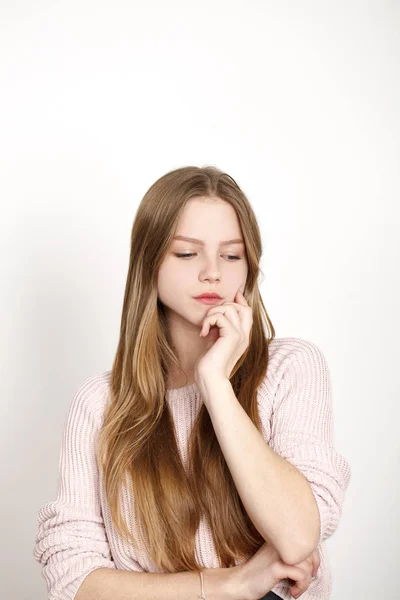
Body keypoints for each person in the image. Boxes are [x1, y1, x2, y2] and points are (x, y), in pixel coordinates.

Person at [33, 165, 351, 600]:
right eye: (187, 254)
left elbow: (297, 537)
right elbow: (73, 579)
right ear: (150, 262)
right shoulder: (100, 404)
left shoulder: (292, 368)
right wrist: (230, 584)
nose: (212, 273)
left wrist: (215, 383)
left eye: (232, 255)